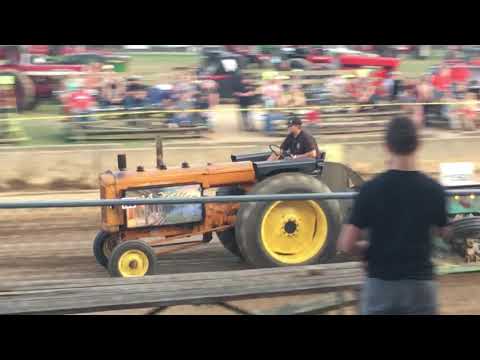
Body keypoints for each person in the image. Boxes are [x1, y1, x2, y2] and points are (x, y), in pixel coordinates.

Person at [337, 117, 450, 315]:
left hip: (380, 285)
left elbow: (346, 244)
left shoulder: (370, 190)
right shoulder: (434, 190)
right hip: (420, 286)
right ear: (418, 145)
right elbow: (445, 232)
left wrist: (364, 248)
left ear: (387, 146)